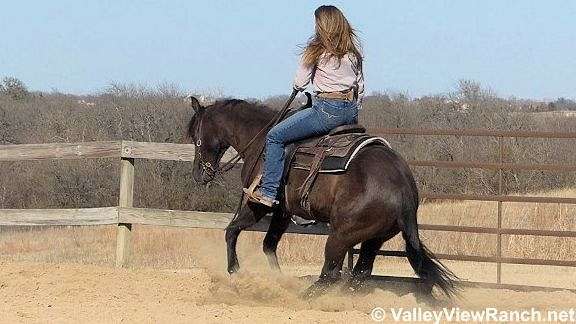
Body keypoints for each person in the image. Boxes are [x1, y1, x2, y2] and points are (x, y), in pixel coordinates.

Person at [245, 5, 364, 207]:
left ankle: (269, 191)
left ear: (322, 26)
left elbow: (300, 82)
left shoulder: (316, 50)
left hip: (325, 110)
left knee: (275, 136)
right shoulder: (354, 52)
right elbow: (360, 86)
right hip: (350, 111)